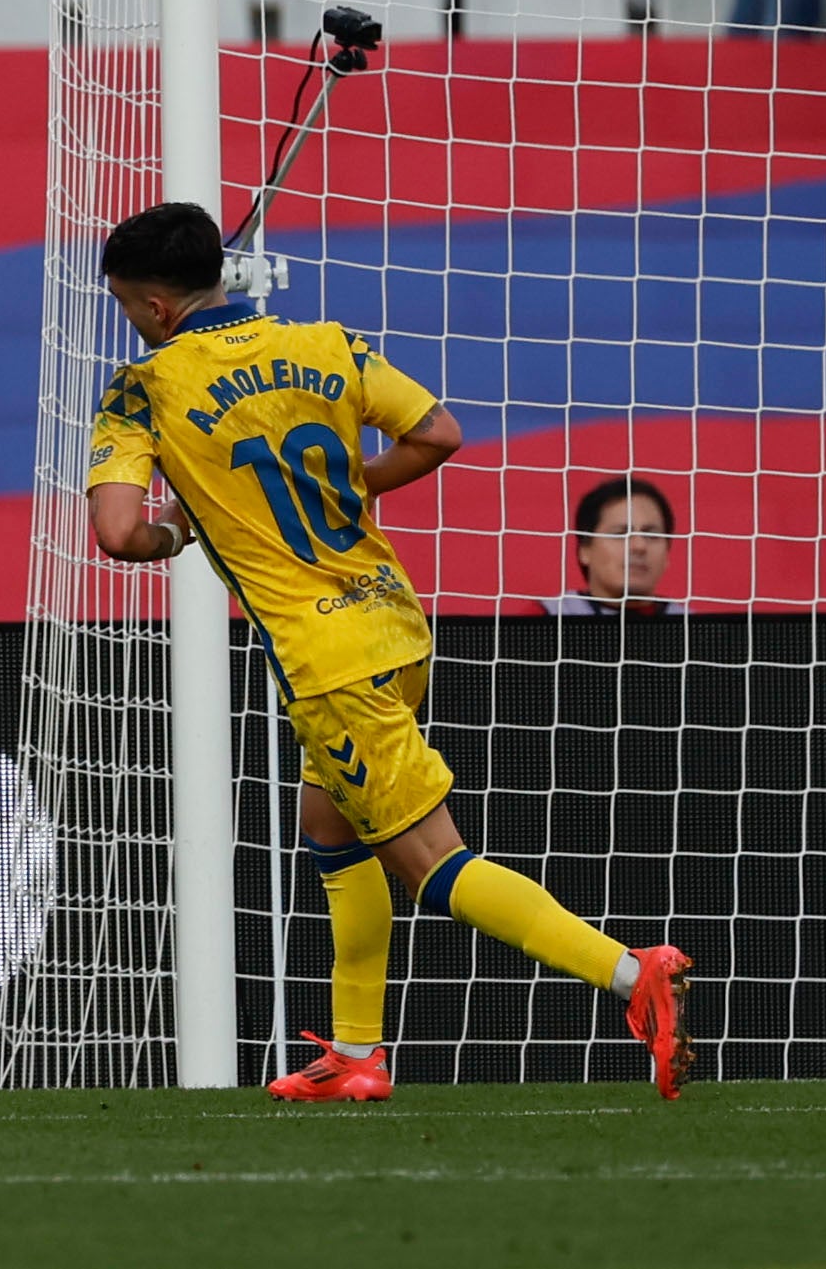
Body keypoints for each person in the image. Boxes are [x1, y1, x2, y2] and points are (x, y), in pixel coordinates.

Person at [85, 202, 692, 1103]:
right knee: (331, 833)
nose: (133, 322)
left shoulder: (145, 387)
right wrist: (341, 485)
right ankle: (358, 1054)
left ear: (157, 306)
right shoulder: (327, 343)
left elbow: (116, 532)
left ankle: (627, 972)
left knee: (432, 865)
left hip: (327, 659)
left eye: (132, 307)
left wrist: (178, 531)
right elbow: (438, 432)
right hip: (395, 620)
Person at [541, 475, 684, 617]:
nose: (639, 546)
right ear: (584, 550)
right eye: (620, 534)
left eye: (652, 535)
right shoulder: (547, 618)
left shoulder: (691, 626)